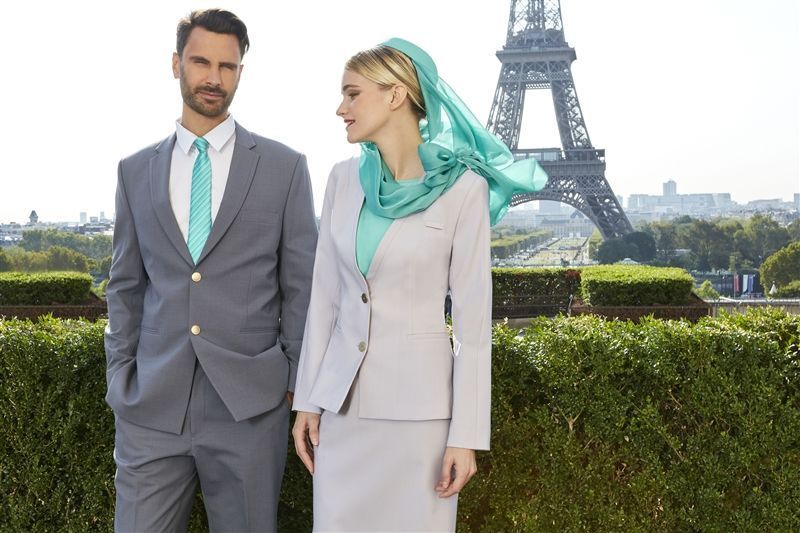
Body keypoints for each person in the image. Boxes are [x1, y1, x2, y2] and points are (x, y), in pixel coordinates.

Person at [291, 38, 547, 532]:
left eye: (352, 94)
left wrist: (466, 435)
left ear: (395, 95)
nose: (340, 108)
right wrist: (307, 399)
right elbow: (324, 299)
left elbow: (473, 326)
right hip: (341, 413)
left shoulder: (464, 192)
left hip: (420, 421)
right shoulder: (343, 180)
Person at [104, 9, 317, 532]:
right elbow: (126, 286)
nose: (214, 77)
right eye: (201, 62)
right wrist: (120, 374)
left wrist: (292, 379)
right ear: (176, 63)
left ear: (241, 72)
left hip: (249, 406)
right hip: (151, 404)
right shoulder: (135, 171)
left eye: (228, 66)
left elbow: (302, 287)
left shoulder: (284, 167)